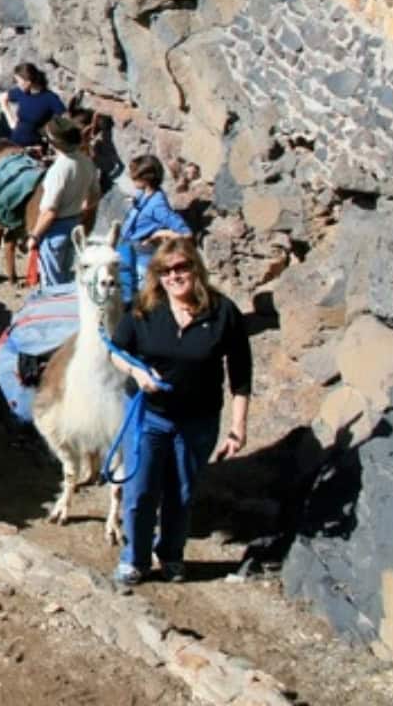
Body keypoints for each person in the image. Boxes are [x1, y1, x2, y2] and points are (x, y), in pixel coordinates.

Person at [109, 237, 252, 587]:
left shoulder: (222, 312)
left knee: (182, 492)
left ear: (195, 268)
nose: (174, 276)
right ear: (156, 274)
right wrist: (138, 373)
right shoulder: (143, 309)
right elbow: (116, 351)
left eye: (181, 267)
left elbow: (241, 373)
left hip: (197, 420)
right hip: (149, 415)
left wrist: (238, 427)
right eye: (165, 270)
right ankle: (135, 559)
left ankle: (171, 554)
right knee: (140, 490)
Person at [26, 115, 100, 287]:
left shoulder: (59, 170)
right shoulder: (87, 163)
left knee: (52, 284)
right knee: (67, 279)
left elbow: (49, 211)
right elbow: (95, 195)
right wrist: (82, 209)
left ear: (53, 143)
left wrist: (34, 236)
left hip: (55, 231)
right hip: (75, 225)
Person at [116, 155, 191, 302]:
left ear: (146, 179)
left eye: (135, 176)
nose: (131, 178)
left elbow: (185, 233)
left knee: (142, 296)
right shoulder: (143, 194)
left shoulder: (158, 205)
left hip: (142, 254)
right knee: (124, 293)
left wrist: (160, 233)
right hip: (126, 248)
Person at [0, 62, 65, 149]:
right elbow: (3, 97)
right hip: (14, 143)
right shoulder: (21, 92)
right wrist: (11, 120)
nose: (17, 84)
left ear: (28, 82)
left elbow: (65, 118)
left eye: (18, 81)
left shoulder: (50, 98)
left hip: (35, 147)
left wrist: (50, 137)